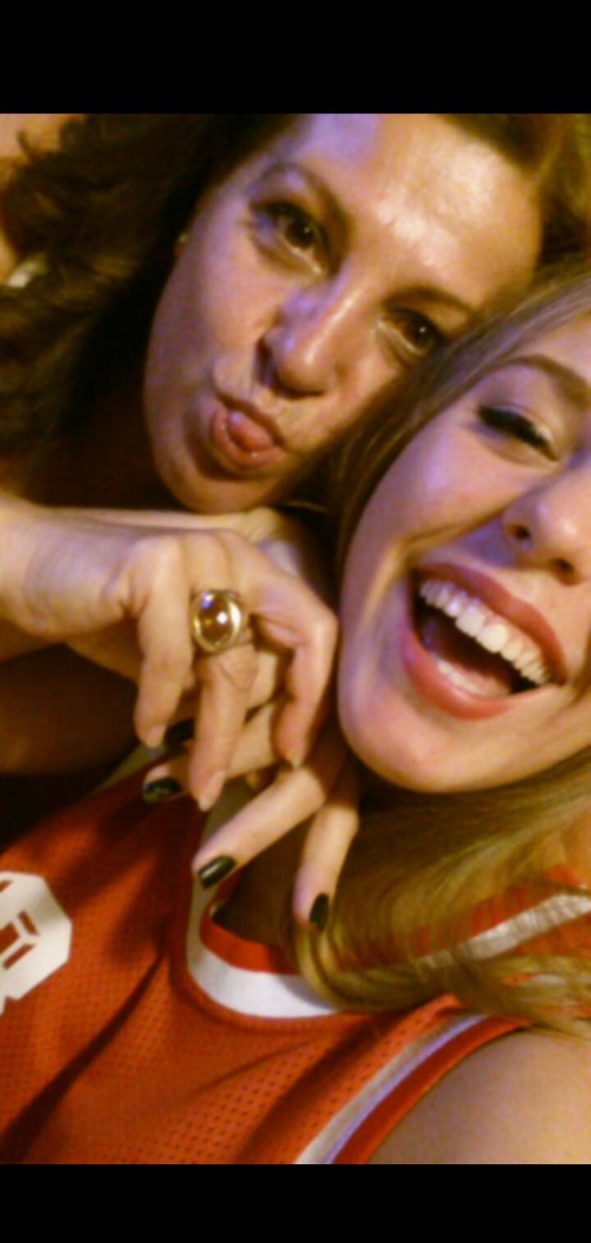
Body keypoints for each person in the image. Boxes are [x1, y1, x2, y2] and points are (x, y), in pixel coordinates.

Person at [3, 264, 591, 1164]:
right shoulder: (196, 667)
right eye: (520, 426)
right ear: (407, 426)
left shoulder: (532, 1098)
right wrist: (41, 556)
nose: (555, 523)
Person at [1, 113, 590, 868]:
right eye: (296, 231)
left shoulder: (264, 626)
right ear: (208, 190)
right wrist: (29, 556)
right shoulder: (22, 189)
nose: (303, 357)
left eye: (416, 332)